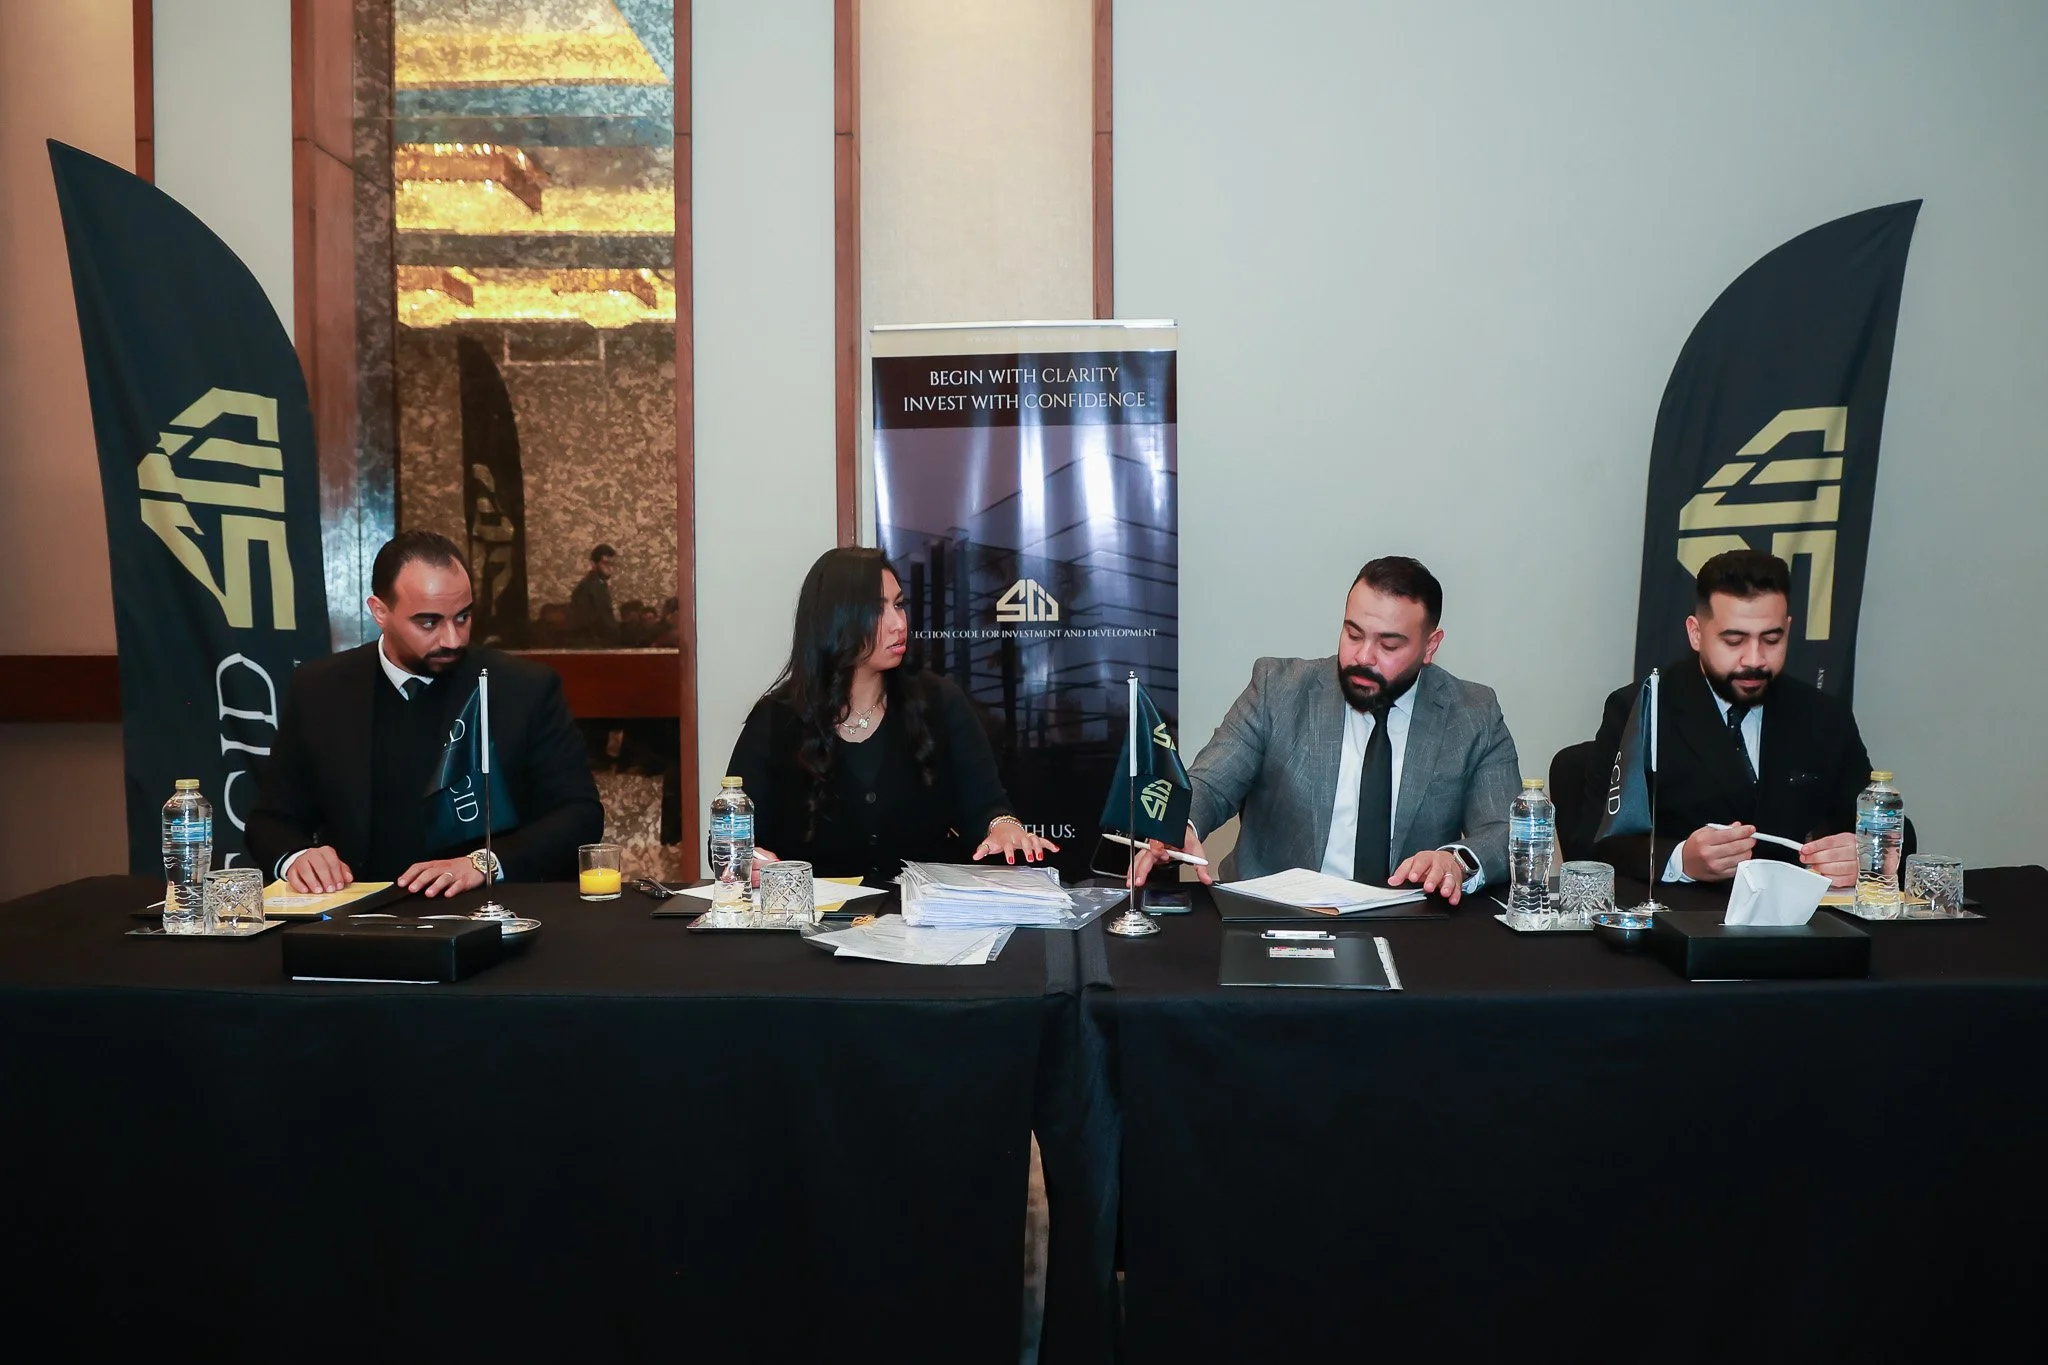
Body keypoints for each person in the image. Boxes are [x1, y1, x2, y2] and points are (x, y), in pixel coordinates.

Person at [1135, 557, 1520, 904]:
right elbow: (1211, 783)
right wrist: (1181, 824)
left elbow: (1507, 830)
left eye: (1388, 645)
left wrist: (1456, 860)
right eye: (1353, 634)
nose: (1363, 657)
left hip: (1412, 926)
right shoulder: (1278, 689)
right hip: (1276, 917)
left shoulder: (1473, 713)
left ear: (1430, 646)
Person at [247, 531, 604, 897]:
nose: (452, 639)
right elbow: (271, 821)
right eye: (429, 622)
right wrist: (298, 858)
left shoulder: (521, 688)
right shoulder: (321, 689)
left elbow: (580, 814)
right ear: (380, 612)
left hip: (488, 912)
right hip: (358, 917)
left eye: (463, 617)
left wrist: (485, 863)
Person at [725, 546, 1057, 884]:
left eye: (899, 605)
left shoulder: (940, 702)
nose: (899, 624)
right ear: (835, 619)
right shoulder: (774, 719)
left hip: (923, 922)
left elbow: (987, 807)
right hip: (810, 923)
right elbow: (730, 837)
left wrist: (1003, 828)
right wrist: (747, 860)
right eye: (877, 610)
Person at [1586, 548, 1878, 889]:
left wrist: (1866, 853)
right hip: (1685, 924)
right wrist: (1680, 859)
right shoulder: (1641, 709)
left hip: (1798, 927)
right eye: (1734, 640)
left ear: (1788, 629)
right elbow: (1595, 844)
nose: (1754, 659)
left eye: (1771, 639)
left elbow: (1884, 823)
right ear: (1696, 633)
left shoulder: (1823, 715)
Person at [569, 543, 621, 646]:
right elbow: (592, 621)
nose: (610, 568)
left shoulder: (600, 584)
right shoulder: (587, 587)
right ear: (593, 564)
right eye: (605, 563)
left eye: (612, 564)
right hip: (594, 644)